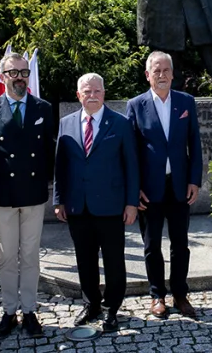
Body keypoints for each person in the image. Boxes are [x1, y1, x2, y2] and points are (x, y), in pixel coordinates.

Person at [53, 74, 140, 333]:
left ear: (104, 93)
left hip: (112, 206)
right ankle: (91, 304)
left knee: (114, 261)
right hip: (78, 206)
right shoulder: (66, 123)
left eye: (97, 91)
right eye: (87, 91)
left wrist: (131, 203)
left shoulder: (121, 124)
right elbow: (61, 166)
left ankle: (112, 309)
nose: (92, 95)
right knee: (85, 259)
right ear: (78, 94)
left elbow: (131, 167)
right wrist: (59, 201)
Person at [0, 53, 55, 339]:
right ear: (3, 77)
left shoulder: (43, 108)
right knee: (8, 256)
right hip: (3, 194)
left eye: (24, 72)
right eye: (13, 73)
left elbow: (49, 149)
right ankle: (9, 310)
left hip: (33, 193)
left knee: (31, 255)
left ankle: (30, 309)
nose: (20, 77)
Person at [126, 52, 202, 318]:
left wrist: (195, 180)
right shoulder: (136, 105)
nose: (161, 75)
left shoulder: (186, 102)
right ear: (147, 75)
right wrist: (134, 189)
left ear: (173, 73)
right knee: (152, 245)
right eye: (156, 71)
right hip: (149, 190)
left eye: (166, 70)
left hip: (180, 186)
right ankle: (157, 295)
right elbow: (130, 151)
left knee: (180, 244)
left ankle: (180, 293)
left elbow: (195, 143)